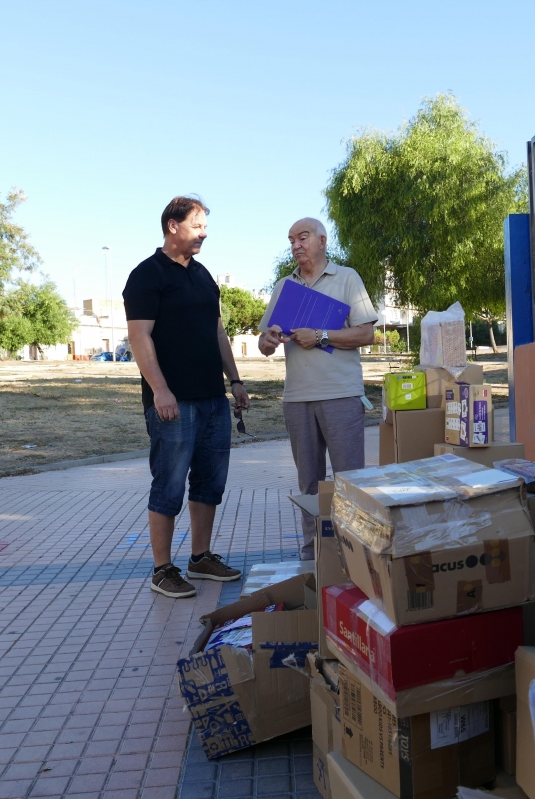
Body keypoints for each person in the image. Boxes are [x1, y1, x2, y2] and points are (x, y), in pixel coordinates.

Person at [123, 196, 249, 598]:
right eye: (197, 225)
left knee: (210, 482)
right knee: (169, 485)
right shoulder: (146, 275)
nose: (204, 233)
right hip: (173, 402)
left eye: (205, 226)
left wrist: (235, 380)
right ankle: (162, 569)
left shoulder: (203, 275)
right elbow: (139, 336)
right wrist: (160, 390)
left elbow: (218, 333)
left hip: (213, 398)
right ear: (173, 226)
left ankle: (201, 557)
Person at [258, 218, 378, 560]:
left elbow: (366, 334)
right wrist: (267, 340)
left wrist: (322, 336)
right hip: (297, 399)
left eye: (303, 237)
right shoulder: (285, 286)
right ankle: (315, 550)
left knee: (349, 480)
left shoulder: (347, 278)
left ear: (322, 241)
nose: (296, 244)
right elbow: (264, 344)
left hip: (340, 394)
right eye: (291, 239)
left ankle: (356, 550)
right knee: (308, 484)